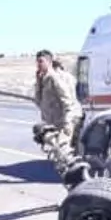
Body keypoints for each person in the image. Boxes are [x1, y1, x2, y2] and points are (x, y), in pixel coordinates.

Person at [31, 49, 88, 186]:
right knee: (58, 155)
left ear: (49, 62)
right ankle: (73, 180)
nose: (38, 64)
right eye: (37, 62)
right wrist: (38, 82)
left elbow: (67, 101)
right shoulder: (43, 79)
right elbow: (38, 101)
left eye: (41, 61)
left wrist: (67, 123)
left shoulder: (54, 78)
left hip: (63, 121)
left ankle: (79, 180)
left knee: (63, 153)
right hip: (52, 123)